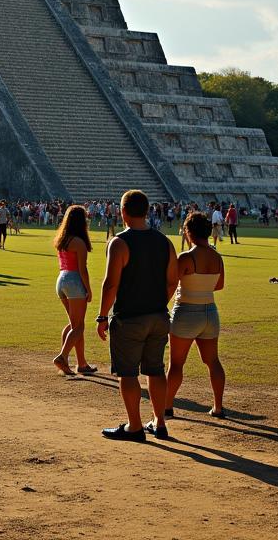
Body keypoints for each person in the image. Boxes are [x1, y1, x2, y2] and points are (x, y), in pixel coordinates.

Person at [95, 189, 178, 442]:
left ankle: (134, 426)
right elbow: (172, 281)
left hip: (129, 317)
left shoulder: (119, 242)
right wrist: (156, 303)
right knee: (155, 370)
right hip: (158, 316)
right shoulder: (165, 242)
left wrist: (101, 316)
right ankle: (159, 422)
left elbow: (111, 284)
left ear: (122, 212)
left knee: (128, 373)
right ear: (147, 211)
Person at [164, 211, 225, 422]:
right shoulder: (217, 257)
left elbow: (172, 283)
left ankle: (167, 406)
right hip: (210, 311)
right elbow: (219, 285)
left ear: (188, 232)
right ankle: (218, 406)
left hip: (186, 311)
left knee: (176, 364)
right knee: (213, 361)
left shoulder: (187, 257)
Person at [52, 205, 97, 377]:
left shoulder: (61, 239)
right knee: (78, 327)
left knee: (74, 325)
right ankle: (62, 357)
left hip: (61, 280)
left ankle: (82, 364)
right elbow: (82, 269)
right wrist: (89, 289)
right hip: (74, 281)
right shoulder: (78, 242)